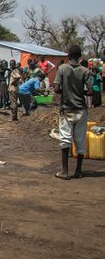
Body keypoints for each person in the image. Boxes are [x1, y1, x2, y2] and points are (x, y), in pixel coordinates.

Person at [54, 45, 91, 180]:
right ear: (80, 56)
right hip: (81, 109)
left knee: (65, 139)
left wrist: (67, 90)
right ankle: (79, 170)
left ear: (68, 56)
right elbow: (91, 91)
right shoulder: (85, 71)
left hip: (66, 109)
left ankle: (64, 171)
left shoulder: (62, 69)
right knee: (80, 140)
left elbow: (57, 89)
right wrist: (80, 92)